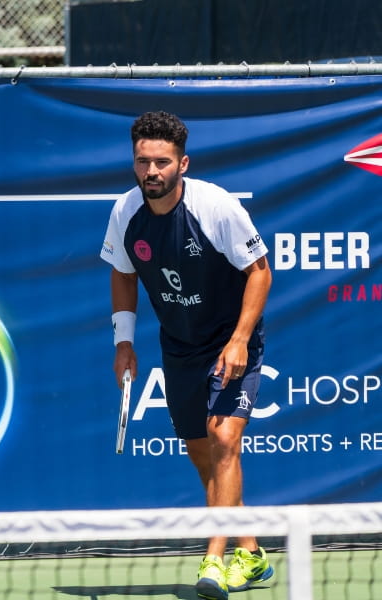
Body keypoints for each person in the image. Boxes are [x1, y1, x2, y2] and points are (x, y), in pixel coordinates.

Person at [99, 111, 274, 600]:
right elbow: (122, 272)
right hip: (178, 345)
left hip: (230, 339)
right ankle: (252, 555)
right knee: (202, 453)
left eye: (161, 162)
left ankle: (214, 561)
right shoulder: (125, 212)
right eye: (142, 162)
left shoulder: (214, 207)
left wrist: (239, 339)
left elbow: (260, 272)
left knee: (224, 439)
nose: (151, 171)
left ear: (182, 164)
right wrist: (124, 342)